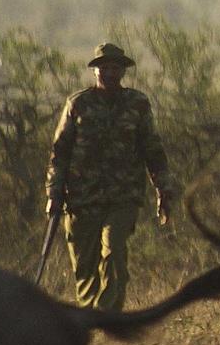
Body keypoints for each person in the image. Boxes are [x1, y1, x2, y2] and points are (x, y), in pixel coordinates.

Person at [43, 40, 174, 312]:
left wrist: (164, 190)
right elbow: (60, 153)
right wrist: (53, 194)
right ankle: (90, 317)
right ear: (95, 71)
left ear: (123, 72)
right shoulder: (78, 104)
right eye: (104, 68)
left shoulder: (137, 104)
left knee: (113, 250)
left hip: (123, 197)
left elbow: (153, 149)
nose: (110, 73)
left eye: (115, 68)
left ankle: (108, 314)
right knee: (85, 268)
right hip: (81, 199)